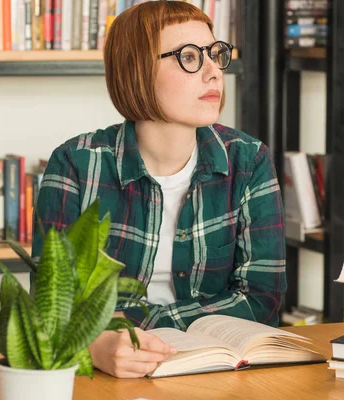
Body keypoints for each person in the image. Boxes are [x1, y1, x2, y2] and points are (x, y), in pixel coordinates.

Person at [31, 0, 286, 379]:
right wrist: (97, 346)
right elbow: (51, 302)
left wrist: (126, 326)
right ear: (137, 71)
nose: (215, 72)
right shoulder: (75, 166)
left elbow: (262, 298)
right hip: (107, 379)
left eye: (216, 54)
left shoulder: (249, 161)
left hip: (218, 376)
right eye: (189, 57)